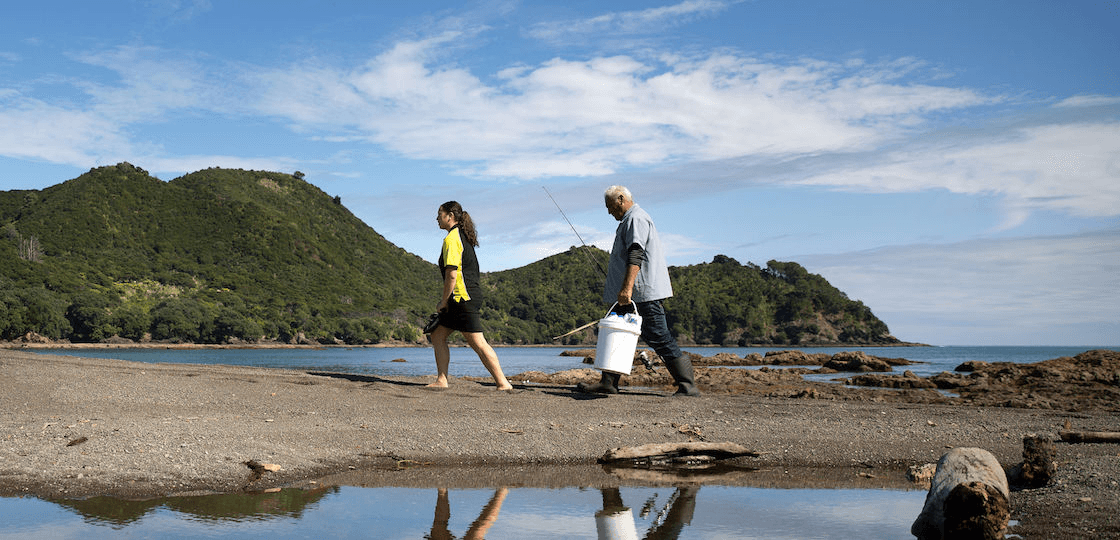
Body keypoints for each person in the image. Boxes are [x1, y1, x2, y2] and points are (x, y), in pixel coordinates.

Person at [577, 186, 700, 396]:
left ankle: (688, 386)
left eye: (609, 206)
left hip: (641, 294)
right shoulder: (629, 220)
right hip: (630, 296)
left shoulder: (636, 218)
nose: (608, 212)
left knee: (659, 335)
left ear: (621, 199)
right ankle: (608, 382)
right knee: (617, 334)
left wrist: (627, 288)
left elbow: (636, 252)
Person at [427, 201, 513, 391]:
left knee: (477, 342)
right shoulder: (461, 236)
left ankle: (503, 383)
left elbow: (452, 274)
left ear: (450, 216)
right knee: (438, 334)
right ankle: (442, 380)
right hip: (463, 297)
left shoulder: (452, 239)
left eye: (439, 214)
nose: (436, 218)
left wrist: (443, 301)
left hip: (461, 299)